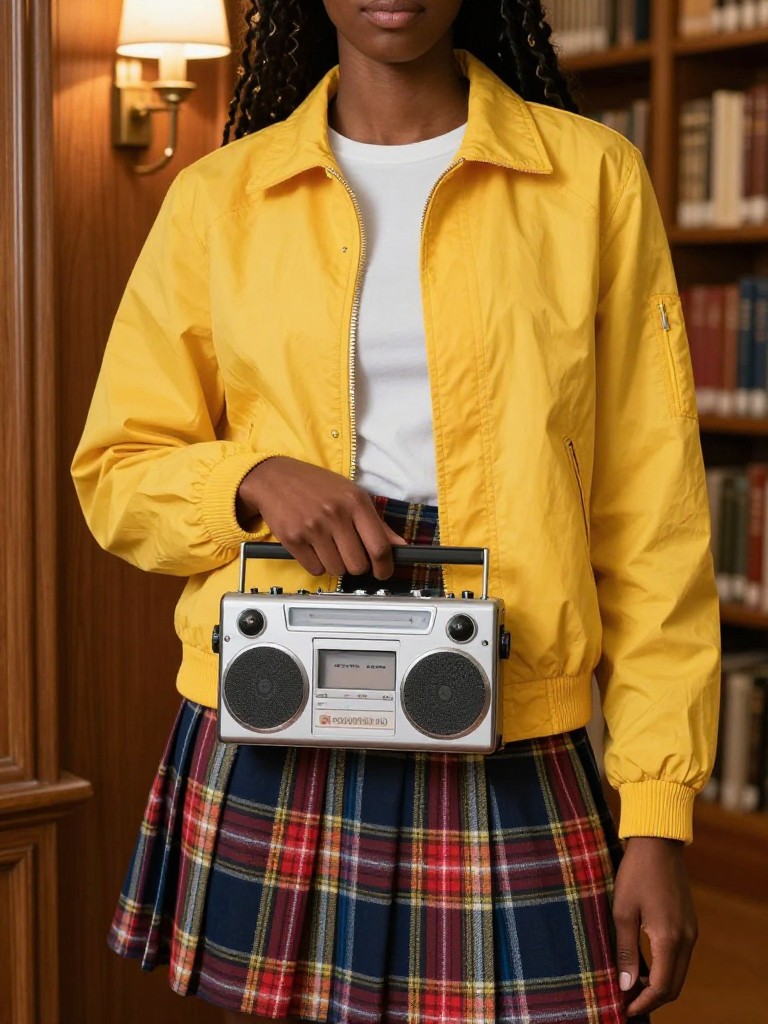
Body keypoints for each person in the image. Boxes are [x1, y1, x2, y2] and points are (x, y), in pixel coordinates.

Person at [71, 1, 721, 1021]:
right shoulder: (216, 198)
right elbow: (116, 472)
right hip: (276, 711)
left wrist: (658, 816)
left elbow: (656, 524)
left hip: (513, 707)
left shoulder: (594, 179)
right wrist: (249, 480)